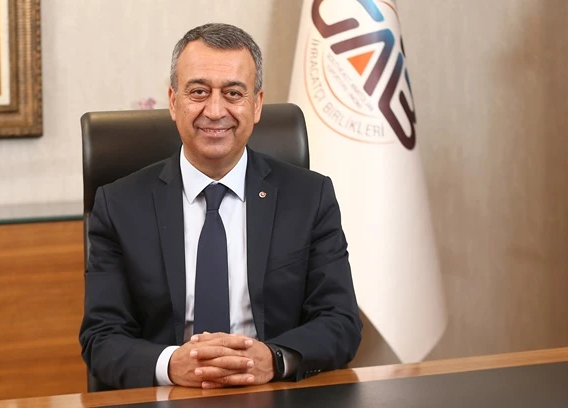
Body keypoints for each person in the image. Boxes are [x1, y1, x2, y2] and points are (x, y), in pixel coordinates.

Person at [79, 23, 362, 390]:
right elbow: (101, 338)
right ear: (173, 101)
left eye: (233, 93)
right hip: (169, 395)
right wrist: (172, 365)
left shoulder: (309, 196)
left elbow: (340, 322)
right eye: (199, 91)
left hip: (272, 392)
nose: (215, 111)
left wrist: (274, 359)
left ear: (256, 105)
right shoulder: (119, 205)